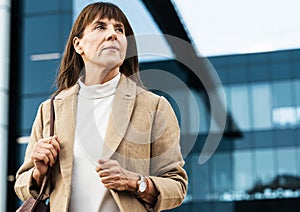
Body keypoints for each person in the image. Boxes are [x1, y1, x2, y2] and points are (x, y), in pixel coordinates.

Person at [14, 2, 187, 211]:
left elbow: (177, 186)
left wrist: (135, 182)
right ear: (78, 45)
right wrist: (39, 172)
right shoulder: (50, 109)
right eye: (100, 27)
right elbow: (22, 185)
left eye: (119, 29)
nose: (113, 34)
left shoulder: (154, 107)